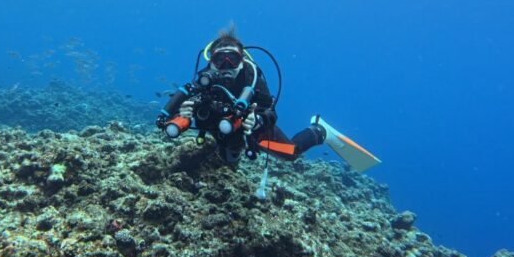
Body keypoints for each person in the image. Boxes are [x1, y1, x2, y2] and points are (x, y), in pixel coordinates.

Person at [157, 28, 380, 171]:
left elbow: (271, 112)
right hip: (221, 129)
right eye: (219, 59)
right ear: (211, 62)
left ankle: (320, 131)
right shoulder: (202, 81)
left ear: (242, 61)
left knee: (290, 154)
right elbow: (175, 114)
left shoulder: (252, 78)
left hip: (252, 130)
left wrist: (258, 121)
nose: (226, 65)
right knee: (229, 162)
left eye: (232, 59)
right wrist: (181, 113)